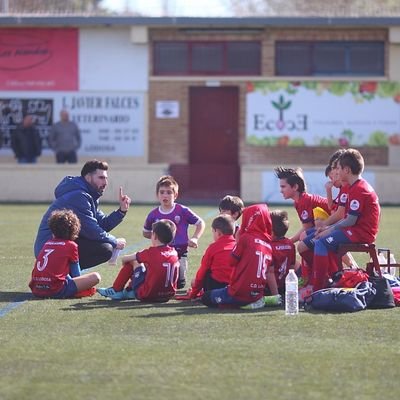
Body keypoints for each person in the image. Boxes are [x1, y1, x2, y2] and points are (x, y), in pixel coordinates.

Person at [34, 160, 131, 269]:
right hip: (49, 249)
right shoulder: (79, 196)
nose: (105, 183)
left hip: (55, 247)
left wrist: (121, 211)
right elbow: (91, 230)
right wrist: (114, 242)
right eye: (101, 178)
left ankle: (69, 277)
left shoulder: (87, 195)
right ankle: (68, 278)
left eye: (106, 178)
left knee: (104, 245)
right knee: (105, 249)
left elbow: (102, 224)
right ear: (88, 178)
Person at [311, 148, 380, 290]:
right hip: (356, 230)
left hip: (360, 233)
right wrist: (327, 229)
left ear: (347, 170)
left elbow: (350, 220)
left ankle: (318, 287)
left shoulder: (359, 189)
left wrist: (328, 229)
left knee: (320, 242)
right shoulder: (356, 186)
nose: (337, 172)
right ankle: (333, 279)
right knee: (321, 239)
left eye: (339, 168)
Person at [201, 203, 273, 308]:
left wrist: (238, 240)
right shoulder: (268, 245)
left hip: (239, 292)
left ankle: (243, 304)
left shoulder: (246, 238)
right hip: (257, 293)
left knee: (206, 297)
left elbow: (232, 261)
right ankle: (261, 299)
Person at [143, 175, 205, 289]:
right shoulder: (153, 214)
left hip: (180, 253)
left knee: (179, 285)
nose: (165, 195)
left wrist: (195, 237)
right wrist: (158, 237)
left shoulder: (182, 210)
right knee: (158, 281)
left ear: (175, 195)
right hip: (160, 254)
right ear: (157, 195)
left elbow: (200, 223)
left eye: (168, 192)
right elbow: (146, 232)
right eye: (162, 192)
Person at [97, 219, 179, 302]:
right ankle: (130, 290)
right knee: (149, 265)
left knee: (134, 261)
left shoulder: (150, 252)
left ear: (154, 236)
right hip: (168, 295)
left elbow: (125, 259)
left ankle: (116, 290)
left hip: (147, 295)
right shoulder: (174, 252)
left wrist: (126, 264)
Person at [29, 209, 101, 299]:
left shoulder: (47, 243)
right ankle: (74, 293)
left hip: (36, 289)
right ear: (74, 230)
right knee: (96, 277)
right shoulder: (71, 245)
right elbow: (76, 275)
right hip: (55, 290)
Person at [274, 166, 330, 243]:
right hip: (333, 225)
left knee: (304, 240)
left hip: (338, 224)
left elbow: (307, 228)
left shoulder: (304, 201)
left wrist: (289, 241)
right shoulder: (300, 201)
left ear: (295, 187)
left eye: (283, 187)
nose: (281, 191)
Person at [187, 214, 236, 299]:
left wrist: (193, 294)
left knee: (195, 280)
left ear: (218, 232)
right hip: (235, 287)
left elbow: (202, 273)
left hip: (216, 286)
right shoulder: (238, 246)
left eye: (213, 232)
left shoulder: (213, 247)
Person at [269, 210, 300, 296]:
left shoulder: (268, 246)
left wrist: (275, 295)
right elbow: (292, 267)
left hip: (269, 288)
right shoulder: (290, 244)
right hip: (284, 286)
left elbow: (269, 273)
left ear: (271, 230)